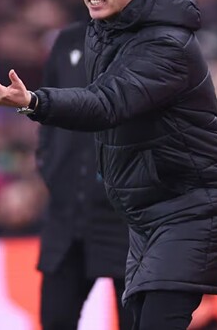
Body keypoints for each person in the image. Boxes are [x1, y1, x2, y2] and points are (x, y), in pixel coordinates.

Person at [0, 0, 217, 330]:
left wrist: (34, 101)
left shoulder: (165, 44)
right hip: (145, 209)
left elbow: (106, 103)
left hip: (193, 205)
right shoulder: (104, 33)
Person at [36, 21, 132, 330]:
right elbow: (46, 111)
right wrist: (50, 165)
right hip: (67, 214)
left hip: (129, 218)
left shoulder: (149, 39)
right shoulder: (67, 40)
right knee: (55, 318)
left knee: (138, 322)